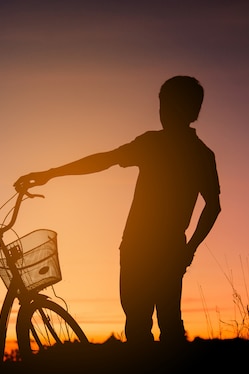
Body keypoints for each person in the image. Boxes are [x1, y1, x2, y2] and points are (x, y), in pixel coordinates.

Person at [14, 75, 221, 350]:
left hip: (144, 247)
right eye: (163, 106)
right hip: (161, 248)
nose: (164, 113)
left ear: (192, 112)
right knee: (161, 326)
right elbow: (213, 206)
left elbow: (105, 160)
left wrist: (50, 174)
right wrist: (189, 248)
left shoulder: (161, 146)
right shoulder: (198, 153)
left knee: (145, 327)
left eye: (169, 107)